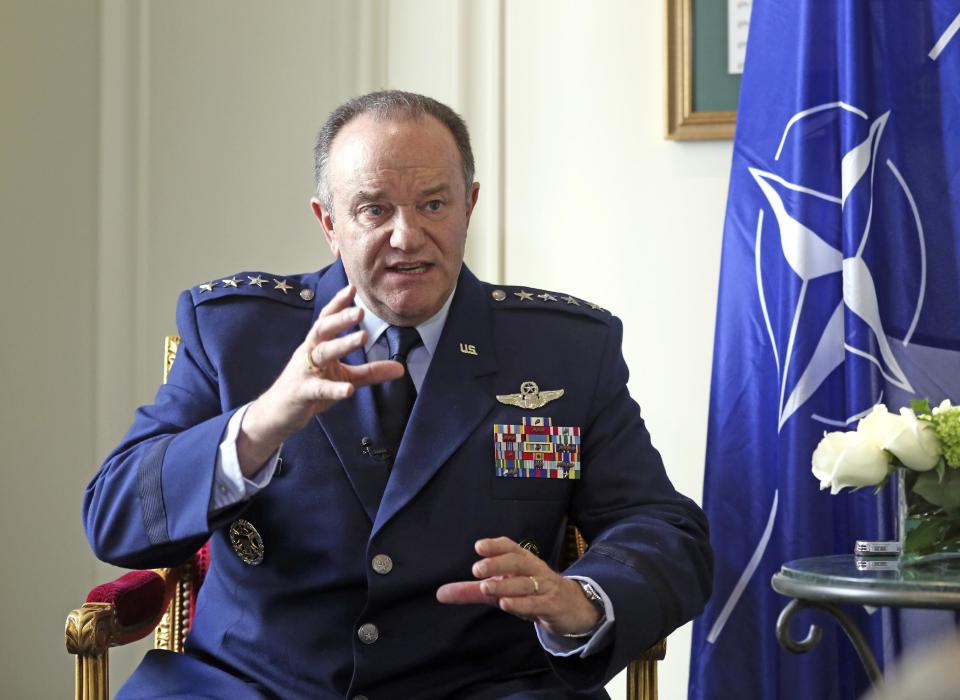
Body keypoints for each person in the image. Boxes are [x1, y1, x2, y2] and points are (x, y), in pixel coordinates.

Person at [84, 90, 712, 700]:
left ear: (469, 206)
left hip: (486, 685)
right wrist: (261, 424)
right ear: (329, 223)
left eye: (433, 204)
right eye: (373, 209)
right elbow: (115, 519)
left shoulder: (564, 350)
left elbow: (661, 526)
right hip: (253, 685)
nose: (407, 236)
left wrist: (584, 602)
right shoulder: (236, 332)